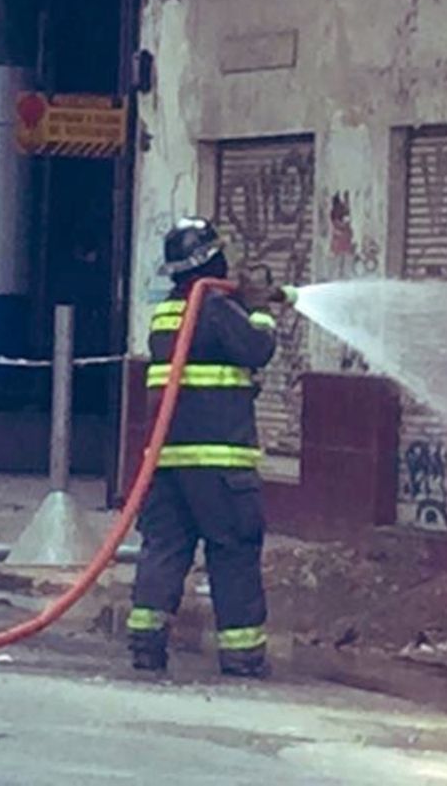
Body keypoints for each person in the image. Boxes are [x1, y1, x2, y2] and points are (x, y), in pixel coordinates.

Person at [126, 217, 294, 677]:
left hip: (168, 460)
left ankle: (146, 641)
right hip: (219, 462)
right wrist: (259, 308)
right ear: (212, 259)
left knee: (164, 547)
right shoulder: (215, 309)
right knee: (234, 549)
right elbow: (257, 348)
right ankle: (242, 653)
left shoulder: (167, 312)